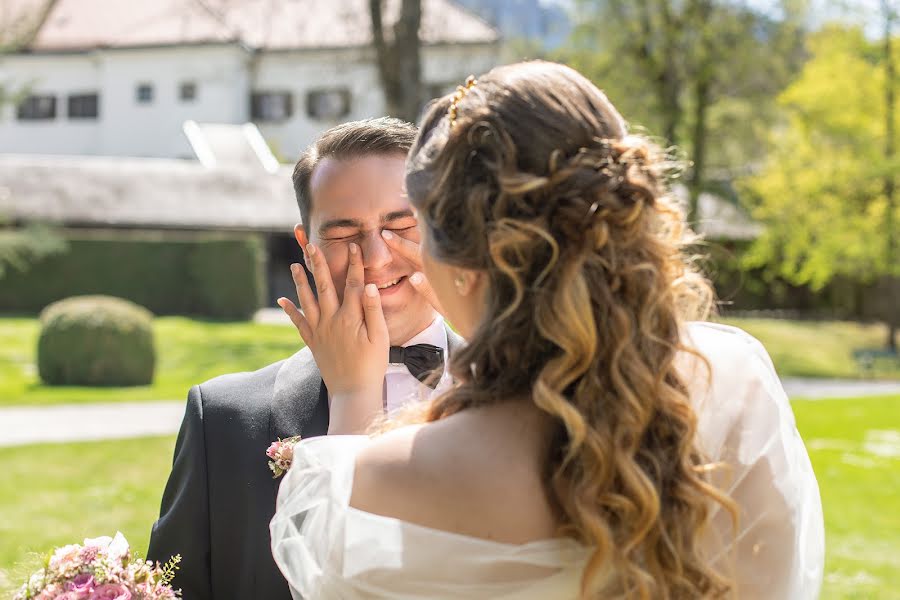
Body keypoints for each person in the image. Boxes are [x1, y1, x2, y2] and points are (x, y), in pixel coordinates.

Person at [270, 62, 825, 599]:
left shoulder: (398, 475)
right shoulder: (733, 377)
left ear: (461, 258)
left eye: (410, 226)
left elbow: (326, 567)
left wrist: (350, 396)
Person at [147, 118, 464, 600]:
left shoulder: (534, 398)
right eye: (344, 234)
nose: (377, 258)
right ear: (307, 244)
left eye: (401, 225)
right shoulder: (224, 420)